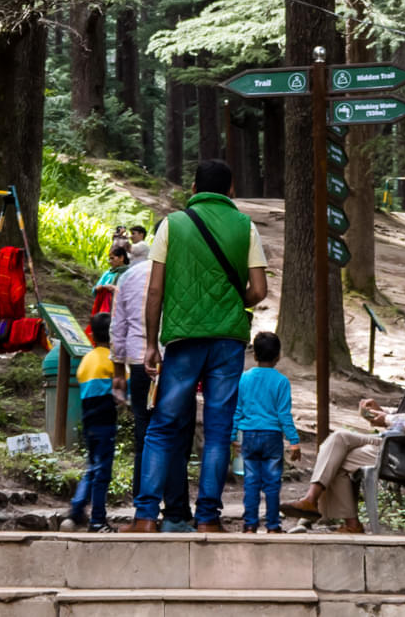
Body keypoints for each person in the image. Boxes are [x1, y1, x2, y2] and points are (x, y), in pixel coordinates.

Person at [127, 159, 265, 534]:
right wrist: (233, 304)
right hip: (228, 342)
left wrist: (152, 343)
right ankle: (207, 517)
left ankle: (145, 516)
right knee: (219, 430)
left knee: (163, 425)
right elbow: (260, 291)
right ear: (230, 190)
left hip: (184, 339)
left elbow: (154, 289)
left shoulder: (172, 224)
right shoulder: (246, 226)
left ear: (193, 188)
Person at [286, 337, 405, 534]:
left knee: (337, 459)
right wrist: (381, 413)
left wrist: (387, 420)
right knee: (338, 439)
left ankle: (341, 518)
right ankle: (312, 501)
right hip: (393, 441)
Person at [235, 331, 305, 533]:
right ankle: (273, 526)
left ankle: (250, 524)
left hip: (249, 436)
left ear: (254, 355)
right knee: (272, 483)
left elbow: (238, 410)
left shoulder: (244, 379)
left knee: (251, 482)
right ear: (278, 356)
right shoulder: (282, 382)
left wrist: (233, 436)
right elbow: (284, 414)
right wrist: (294, 441)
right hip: (272, 437)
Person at [109, 237, 155, 503]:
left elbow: (119, 325)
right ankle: (176, 507)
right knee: (173, 432)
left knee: (143, 429)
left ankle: (142, 502)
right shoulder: (179, 272)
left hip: (138, 362)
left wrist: (118, 371)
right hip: (171, 363)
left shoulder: (129, 276)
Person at [67, 312, 121, 531]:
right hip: (105, 422)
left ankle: (76, 510)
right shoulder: (112, 361)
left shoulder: (86, 360)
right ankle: (98, 520)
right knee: (102, 473)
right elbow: (122, 388)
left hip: (88, 421)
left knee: (92, 467)